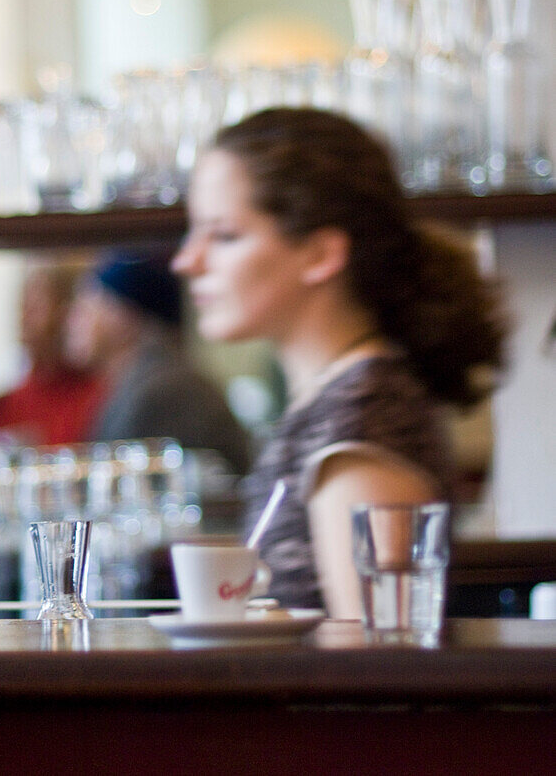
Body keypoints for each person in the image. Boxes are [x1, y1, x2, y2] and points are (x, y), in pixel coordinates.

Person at [172, 107, 507, 616]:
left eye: (224, 235)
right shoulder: (338, 403)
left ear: (321, 254)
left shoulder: (361, 418)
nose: (186, 261)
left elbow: (376, 665)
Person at [64, 249, 253, 475]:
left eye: (89, 302)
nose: (72, 317)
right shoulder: (140, 381)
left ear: (125, 315)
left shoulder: (164, 392)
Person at [0, 262, 105, 449]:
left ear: (67, 312)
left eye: (36, 307)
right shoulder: (0, 410)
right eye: (22, 306)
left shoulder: (100, 398)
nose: (24, 318)